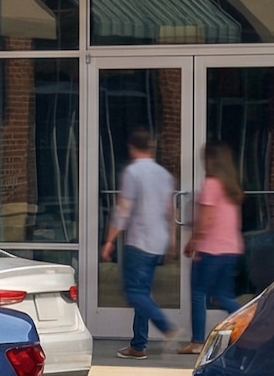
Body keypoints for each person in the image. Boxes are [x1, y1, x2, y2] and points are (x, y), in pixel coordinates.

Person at [100, 126, 179, 359]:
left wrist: (109, 240)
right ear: (150, 147)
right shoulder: (164, 175)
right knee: (143, 293)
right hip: (158, 241)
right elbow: (170, 211)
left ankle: (167, 328)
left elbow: (123, 210)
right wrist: (172, 241)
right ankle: (138, 345)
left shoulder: (133, 173)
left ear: (132, 148)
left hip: (139, 241)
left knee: (133, 292)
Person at [183, 141, 246, 353]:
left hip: (211, 249)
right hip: (231, 249)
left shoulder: (211, 184)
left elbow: (206, 219)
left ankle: (197, 342)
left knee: (198, 294)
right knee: (223, 296)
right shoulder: (231, 187)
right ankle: (252, 326)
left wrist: (194, 241)